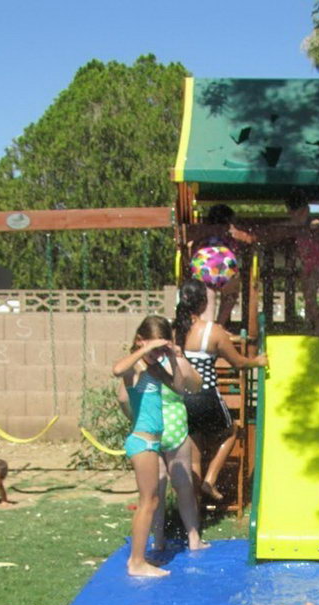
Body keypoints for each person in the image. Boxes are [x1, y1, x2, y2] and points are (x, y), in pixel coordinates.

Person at [113, 316, 203, 578]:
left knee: (151, 500)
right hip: (142, 441)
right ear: (141, 341)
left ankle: (138, 560)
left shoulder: (153, 369)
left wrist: (173, 356)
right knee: (148, 502)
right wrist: (144, 349)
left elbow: (177, 386)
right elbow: (117, 370)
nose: (157, 355)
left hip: (152, 441)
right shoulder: (136, 368)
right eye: (154, 349)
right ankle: (137, 561)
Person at [175, 279, 268, 503]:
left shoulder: (175, 330)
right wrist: (257, 360)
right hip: (206, 396)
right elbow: (238, 363)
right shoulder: (213, 332)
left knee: (195, 450)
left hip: (182, 398)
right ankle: (210, 481)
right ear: (204, 303)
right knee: (231, 431)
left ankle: (194, 513)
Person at [190, 204, 256, 327]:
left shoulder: (203, 232)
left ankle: (207, 326)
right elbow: (244, 244)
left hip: (203, 261)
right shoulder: (231, 232)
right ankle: (220, 324)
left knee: (208, 294)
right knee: (231, 294)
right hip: (224, 261)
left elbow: (193, 246)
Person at [286, 190, 319, 331]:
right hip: (305, 266)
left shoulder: (312, 223)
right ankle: (310, 325)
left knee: (310, 297)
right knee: (307, 297)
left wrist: (310, 226)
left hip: (316, 267)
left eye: (296, 213)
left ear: (305, 211)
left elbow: (317, 223)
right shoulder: (294, 226)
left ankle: (318, 327)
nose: (293, 216)